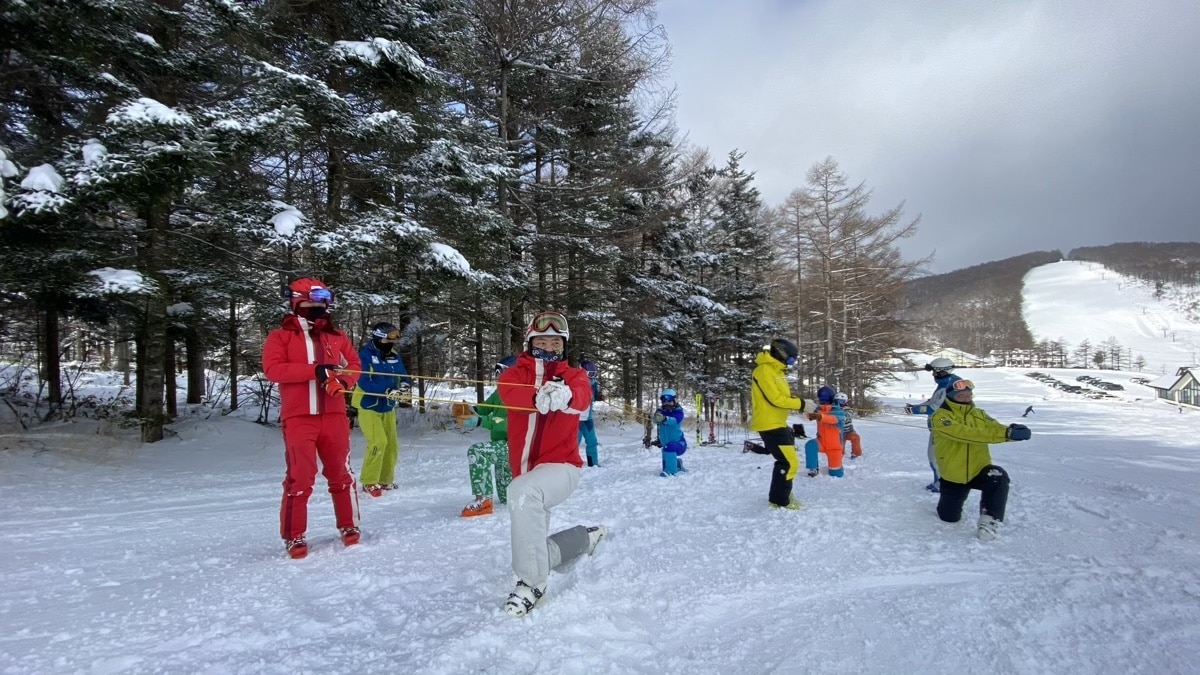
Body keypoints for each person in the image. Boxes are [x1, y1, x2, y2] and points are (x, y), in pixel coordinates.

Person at [496, 311, 608, 617]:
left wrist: (567, 396)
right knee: (532, 538)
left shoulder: (573, 375)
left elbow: (583, 397)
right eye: (541, 339)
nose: (549, 345)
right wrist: (536, 398)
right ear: (530, 342)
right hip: (527, 471)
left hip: (562, 467)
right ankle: (584, 537)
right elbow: (509, 393)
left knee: (521, 493)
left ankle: (533, 585)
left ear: (564, 345)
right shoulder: (513, 374)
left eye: (555, 341)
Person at [262, 278, 362, 559]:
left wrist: (341, 380)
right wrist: (315, 371)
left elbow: (354, 365)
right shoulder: (280, 336)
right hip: (299, 417)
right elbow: (274, 369)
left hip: (334, 415)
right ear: (297, 302)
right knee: (300, 477)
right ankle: (294, 535)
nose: (319, 307)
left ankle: (349, 525)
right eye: (312, 302)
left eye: (323, 302)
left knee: (341, 473)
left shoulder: (336, 335)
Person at [930, 379, 1031, 540]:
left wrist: (1012, 431)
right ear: (950, 396)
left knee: (997, 476)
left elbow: (994, 428)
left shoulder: (980, 414)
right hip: (953, 475)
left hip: (979, 469)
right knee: (949, 517)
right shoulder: (941, 417)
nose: (966, 398)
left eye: (969, 395)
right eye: (961, 395)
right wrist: (1005, 435)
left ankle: (990, 520)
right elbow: (965, 434)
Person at [749, 337, 814, 510]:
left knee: (787, 460)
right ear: (781, 354)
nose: (792, 363)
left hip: (778, 422)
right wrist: (800, 404)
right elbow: (775, 399)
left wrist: (802, 405)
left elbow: (782, 398)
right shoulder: (764, 371)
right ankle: (779, 500)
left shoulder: (776, 371)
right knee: (788, 462)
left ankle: (781, 494)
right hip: (769, 424)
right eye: (791, 359)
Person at [351, 322, 411, 497]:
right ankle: (369, 481)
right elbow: (363, 381)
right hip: (368, 405)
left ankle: (385, 480)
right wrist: (386, 390)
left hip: (387, 406)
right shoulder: (365, 356)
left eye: (395, 337)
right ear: (379, 337)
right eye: (390, 337)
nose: (393, 341)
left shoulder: (393, 355)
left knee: (391, 445)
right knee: (378, 442)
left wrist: (405, 386)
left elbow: (402, 374)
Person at [457, 355, 517, 517]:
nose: (498, 375)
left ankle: (483, 500)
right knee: (508, 498)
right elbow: (485, 408)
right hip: (501, 445)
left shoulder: (521, 394)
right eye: (496, 371)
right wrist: (469, 410)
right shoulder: (501, 392)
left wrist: (479, 421)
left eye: (501, 371)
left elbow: (506, 422)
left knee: (477, 451)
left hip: (514, 446)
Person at [906, 358, 958, 493]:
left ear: (943, 372)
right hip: (940, 427)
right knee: (939, 457)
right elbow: (932, 402)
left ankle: (941, 484)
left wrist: (915, 410)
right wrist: (916, 407)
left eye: (935, 372)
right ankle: (942, 482)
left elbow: (935, 408)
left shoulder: (950, 386)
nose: (933, 375)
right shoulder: (946, 383)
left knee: (935, 456)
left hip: (943, 428)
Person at [804, 385, 846, 477]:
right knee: (810, 445)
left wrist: (821, 416)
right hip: (822, 442)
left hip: (835, 447)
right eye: (821, 399)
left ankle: (838, 466)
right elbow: (809, 414)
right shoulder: (818, 409)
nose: (823, 402)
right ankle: (813, 468)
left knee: (835, 473)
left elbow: (834, 420)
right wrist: (810, 415)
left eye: (825, 399)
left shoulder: (838, 411)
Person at [654, 389, 688, 476]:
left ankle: (671, 471)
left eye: (669, 400)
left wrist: (665, 419)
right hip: (666, 444)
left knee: (669, 447)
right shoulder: (661, 411)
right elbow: (654, 421)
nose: (666, 403)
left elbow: (674, 420)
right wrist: (656, 417)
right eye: (664, 401)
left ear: (674, 400)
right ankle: (677, 464)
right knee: (666, 451)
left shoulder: (678, 412)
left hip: (680, 444)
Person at [578, 359, 603, 467]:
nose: (592, 377)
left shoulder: (593, 383)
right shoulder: (575, 381)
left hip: (587, 417)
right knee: (574, 443)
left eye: (594, 374)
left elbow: (595, 394)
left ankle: (593, 463)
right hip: (576, 418)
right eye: (590, 374)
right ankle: (570, 464)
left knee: (592, 441)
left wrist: (599, 396)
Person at [835, 392, 863, 459]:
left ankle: (856, 453)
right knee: (840, 451)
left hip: (849, 431)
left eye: (841, 401)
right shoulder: (833, 410)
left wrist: (840, 414)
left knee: (856, 437)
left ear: (845, 402)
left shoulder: (848, 409)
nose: (839, 403)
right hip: (839, 433)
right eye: (837, 401)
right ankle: (839, 454)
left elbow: (847, 416)